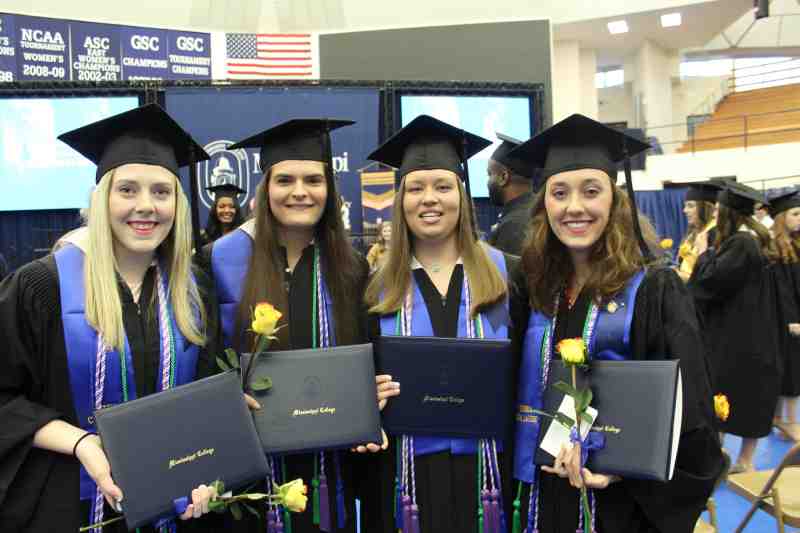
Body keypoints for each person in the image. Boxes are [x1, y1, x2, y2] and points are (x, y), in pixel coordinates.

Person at [0, 104, 220, 532]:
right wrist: (82, 443)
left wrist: (208, 472)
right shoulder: (41, 287)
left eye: (161, 191)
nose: (146, 206)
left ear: (179, 203)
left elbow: (206, 401)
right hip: (68, 505)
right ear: (102, 199)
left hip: (175, 507)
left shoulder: (195, 292)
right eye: (128, 190)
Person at [508, 114, 723, 533]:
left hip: (618, 501)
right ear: (544, 204)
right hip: (543, 492)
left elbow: (691, 411)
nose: (575, 207)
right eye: (559, 193)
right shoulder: (535, 287)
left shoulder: (654, 287)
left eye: (591, 191)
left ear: (614, 199)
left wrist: (622, 467)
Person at [199, 118, 384, 533]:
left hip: (330, 470)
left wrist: (374, 391)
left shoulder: (351, 267)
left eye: (313, 180)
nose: (300, 192)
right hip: (248, 469)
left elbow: (366, 355)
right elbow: (201, 361)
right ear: (265, 189)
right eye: (284, 180)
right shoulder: (219, 260)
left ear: (328, 190)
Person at [361, 115, 523, 533]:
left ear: (462, 196)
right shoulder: (374, 290)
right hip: (406, 482)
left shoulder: (510, 275)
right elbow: (359, 381)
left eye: (443, 186)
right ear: (400, 201)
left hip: (491, 478)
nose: (429, 199)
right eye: (415, 188)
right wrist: (365, 396)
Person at [689, 181, 781, 473]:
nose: (715, 216)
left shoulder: (742, 243)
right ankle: (742, 460)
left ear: (728, 213)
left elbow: (710, 282)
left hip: (737, 336)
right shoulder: (752, 240)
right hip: (752, 332)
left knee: (728, 391)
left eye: (718, 210)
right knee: (748, 394)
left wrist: (703, 254)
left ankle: (737, 461)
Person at [766, 190, 800, 442]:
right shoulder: (774, 249)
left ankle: (782, 418)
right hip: (785, 320)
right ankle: (788, 420)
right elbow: (783, 290)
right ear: (780, 217)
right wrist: (792, 320)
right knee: (791, 368)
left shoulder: (796, 244)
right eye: (795, 213)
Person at [487, 132, 536, 255]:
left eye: (489, 174)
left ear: (504, 177)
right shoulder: (537, 209)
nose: (488, 181)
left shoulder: (513, 226)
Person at [676, 182, 718, 282]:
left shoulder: (714, 234)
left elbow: (711, 276)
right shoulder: (693, 233)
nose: (684, 210)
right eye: (685, 206)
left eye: (690, 206)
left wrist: (682, 277)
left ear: (706, 208)